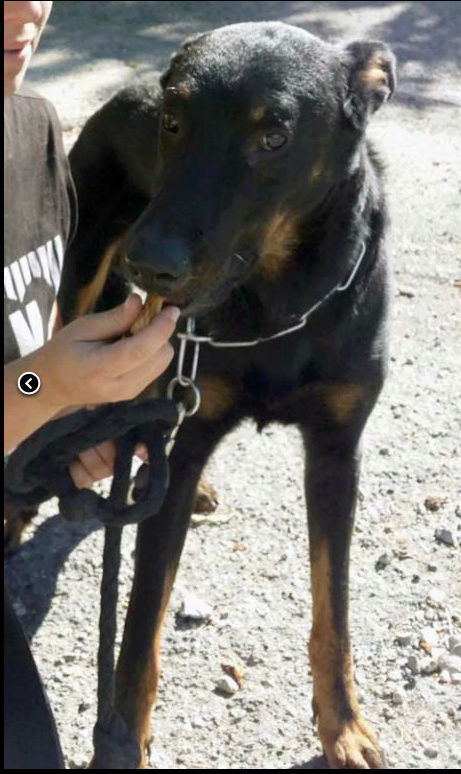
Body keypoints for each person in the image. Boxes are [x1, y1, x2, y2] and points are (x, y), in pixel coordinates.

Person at [4, 2, 179, 767]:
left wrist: (65, 432)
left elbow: (25, 363)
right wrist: (48, 388)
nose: (25, 10)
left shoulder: (31, 129)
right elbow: (30, 379)